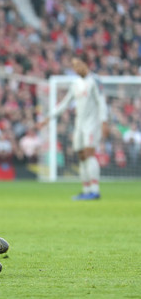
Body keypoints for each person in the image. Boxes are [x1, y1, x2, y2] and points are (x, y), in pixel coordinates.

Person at [37, 57, 109, 200]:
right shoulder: (75, 84)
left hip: (92, 124)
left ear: (86, 64)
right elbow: (64, 103)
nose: (77, 68)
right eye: (74, 66)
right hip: (79, 124)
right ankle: (86, 189)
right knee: (81, 156)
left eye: (79, 64)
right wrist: (48, 118)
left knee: (89, 154)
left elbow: (101, 102)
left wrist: (104, 122)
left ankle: (95, 190)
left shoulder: (94, 81)